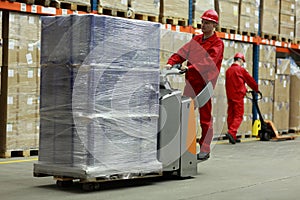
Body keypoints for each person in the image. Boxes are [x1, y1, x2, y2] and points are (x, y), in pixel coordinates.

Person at [165, 9, 224, 161]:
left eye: (207, 23)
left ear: (214, 25)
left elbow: (209, 63)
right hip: (191, 83)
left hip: (205, 84)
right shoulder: (196, 40)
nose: (203, 25)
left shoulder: (217, 44)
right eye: (202, 22)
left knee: (205, 117)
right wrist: (171, 62)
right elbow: (182, 52)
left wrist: (188, 68)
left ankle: (205, 148)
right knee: (185, 114)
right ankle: (184, 146)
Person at [225, 52, 259, 144]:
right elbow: (250, 80)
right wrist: (256, 89)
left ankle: (233, 136)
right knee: (238, 116)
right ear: (240, 60)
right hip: (238, 96)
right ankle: (232, 132)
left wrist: (244, 88)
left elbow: (234, 83)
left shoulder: (228, 71)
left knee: (231, 115)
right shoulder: (241, 70)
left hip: (230, 96)